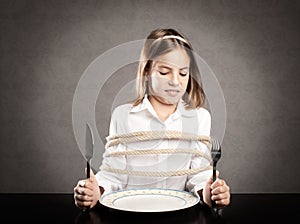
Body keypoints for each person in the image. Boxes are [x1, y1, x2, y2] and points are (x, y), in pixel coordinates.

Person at [74, 28, 230, 210]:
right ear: (147, 71)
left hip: (179, 216)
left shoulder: (200, 117)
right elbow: (113, 174)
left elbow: (197, 175)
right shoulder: (123, 115)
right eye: (164, 72)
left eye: (183, 73)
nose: (175, 81)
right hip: (131, 214)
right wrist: (95, 191)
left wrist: (210, 192)